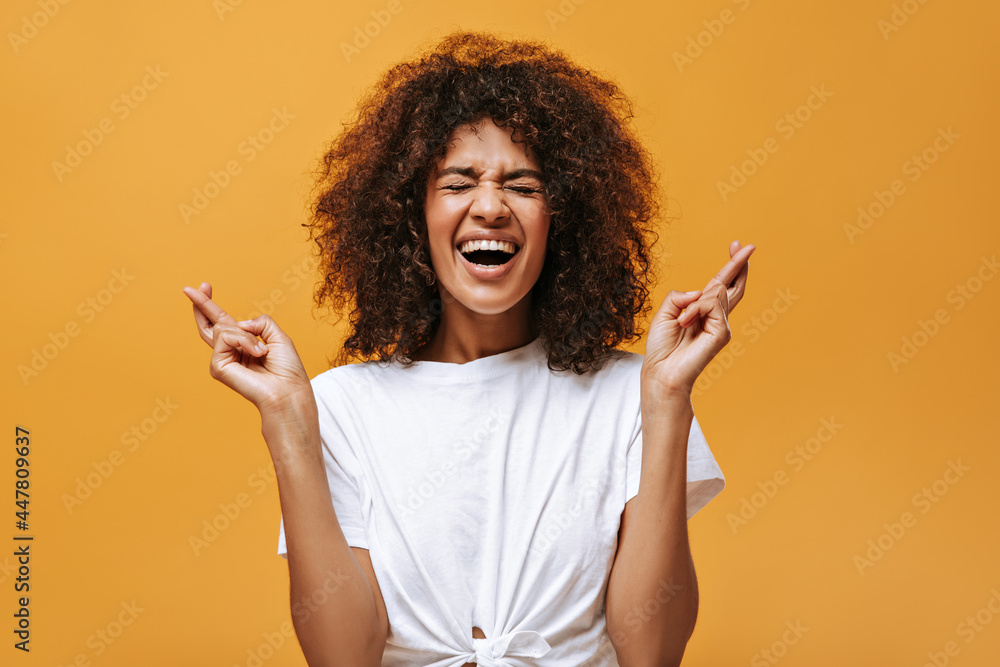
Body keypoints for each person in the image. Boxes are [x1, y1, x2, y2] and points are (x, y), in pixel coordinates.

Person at [182, 30, 755, 667]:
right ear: (411, 216)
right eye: (458, 183)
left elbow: (652, 649)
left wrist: (669, 400)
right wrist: (287, 418)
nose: (490, 207)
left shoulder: (632, 395)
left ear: (561, 218)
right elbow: (343, 656)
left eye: (524, 186)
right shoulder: (340, 407)